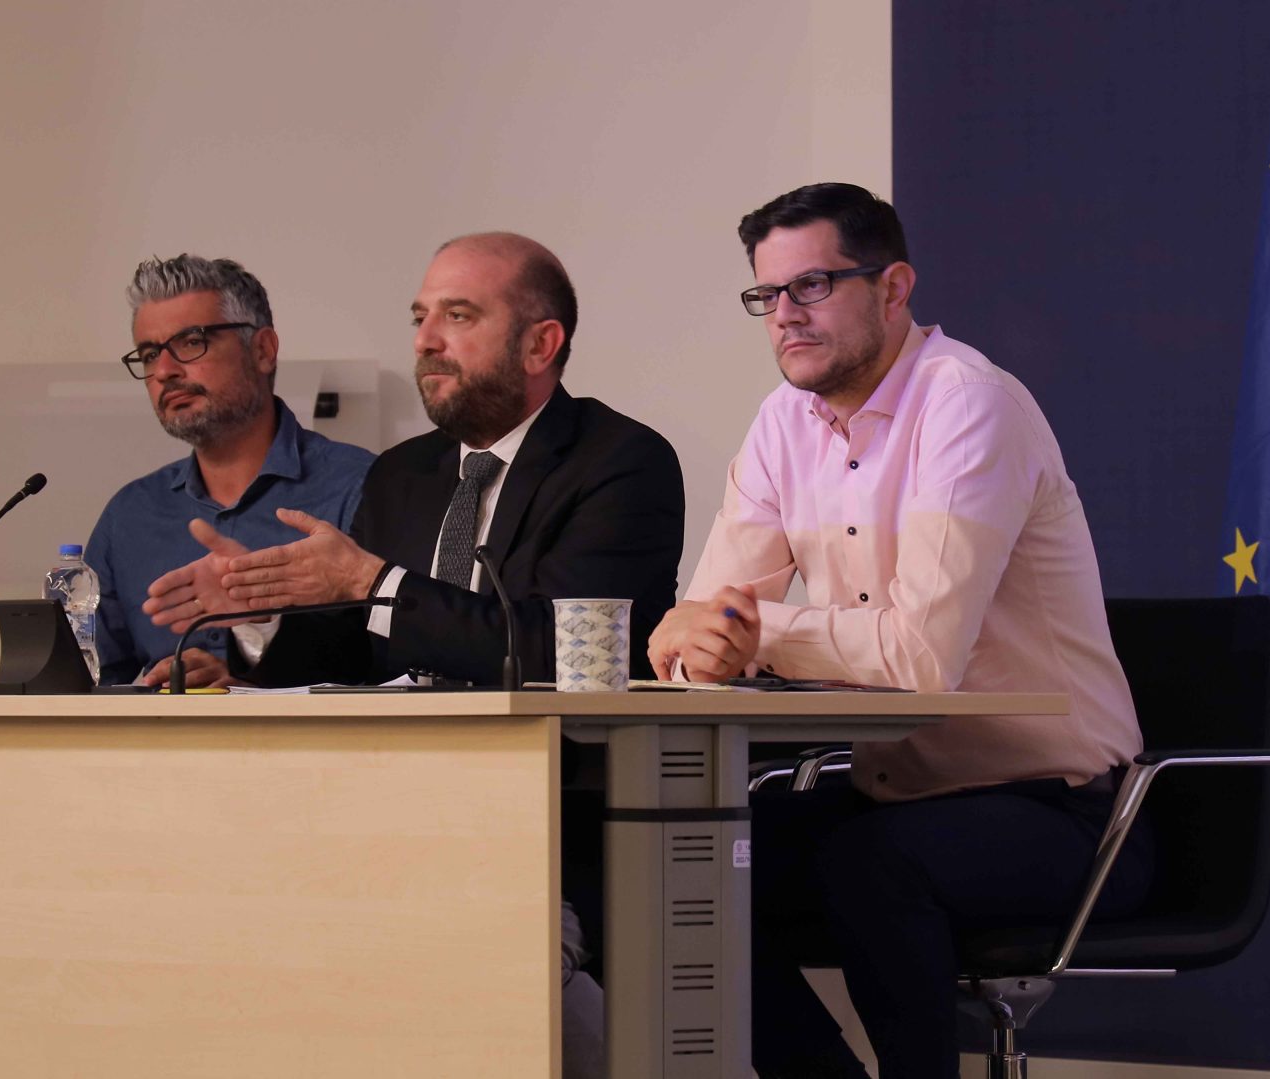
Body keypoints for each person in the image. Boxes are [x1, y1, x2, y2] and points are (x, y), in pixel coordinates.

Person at [145, 232, 685, 1078]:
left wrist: (373, 579)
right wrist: (259, 616)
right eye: (420, 317)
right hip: (388, 802)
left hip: (546, 808)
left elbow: (550, 646)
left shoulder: (621, 462)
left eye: (458, 316)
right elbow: (358, 646)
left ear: (541, 343)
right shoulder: (404, 474)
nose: (426, 340)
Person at [647, 183, 1151, 1079]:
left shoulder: (969, 404)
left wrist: (748, 632)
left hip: (1069, 810)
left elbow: (921, 657)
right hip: (898, 793)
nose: (785, 315)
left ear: (894, 287)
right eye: (767, 294)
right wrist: (702, 650)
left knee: (869, 864)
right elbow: (704, 630)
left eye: (812, 286)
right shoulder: (780, 424)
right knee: (679, 861)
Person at [84, 254, 374, 687]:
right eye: (149, 354)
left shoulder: (364, 486)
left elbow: (396, 668)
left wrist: (250, 680)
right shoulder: (129, 515)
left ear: (263, 351)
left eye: (190, 342)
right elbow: (89, 686)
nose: (164, 371)